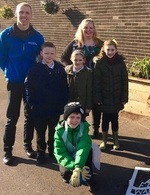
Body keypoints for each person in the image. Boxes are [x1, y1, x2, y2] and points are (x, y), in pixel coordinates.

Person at [0, 2, 44, 165]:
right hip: (14, 81)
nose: (24, 16)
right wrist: (8, 72)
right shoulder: (5, 35)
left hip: (31, 83)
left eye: (27, 13)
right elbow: (2, 58)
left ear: (31, 15)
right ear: (16, 14)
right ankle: (8, 150)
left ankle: (28, 146)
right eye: (21, 12)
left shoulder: (38, 37)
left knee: (30, 116)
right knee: (12, 117)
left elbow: (40, 59)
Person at [25, 42, 69, 164]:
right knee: (40, 132)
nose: (49, 56)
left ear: (55, 54)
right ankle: (40, 152)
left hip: (54, 108)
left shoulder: (60, 69)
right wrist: (32, 103)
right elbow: (28, 87)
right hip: (39, 107)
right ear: (41, 53)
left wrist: (63, 104)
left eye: (52, 53)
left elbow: (64, 88)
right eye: (46, 53)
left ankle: (52, 151)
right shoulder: (34, 69)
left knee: (53, 131)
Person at [61, 18, 104, 139]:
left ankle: (96, 129)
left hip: (96, 78)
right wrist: (69, 67)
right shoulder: (75, 43)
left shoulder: (99, 43)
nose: (88, 30)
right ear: (81, 29)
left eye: (91, 28)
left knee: (96, 103)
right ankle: (76, 127)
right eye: (86, 27)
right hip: (80, 78)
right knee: (80, 103)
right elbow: (64, 57)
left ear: (94, 29)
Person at [54, 102, 99, 192]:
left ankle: (91, 180)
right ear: (66, 117)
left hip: (80, 154)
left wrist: (79, 167)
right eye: (72, 117)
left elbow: (83, 148)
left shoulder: (84, 128)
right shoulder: (59, 131)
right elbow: (60, 153)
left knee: (87, 161)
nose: (75, 120)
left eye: (78, 117)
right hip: (68, 155)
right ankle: (67, 175)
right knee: (66, 174)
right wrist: (75, 167)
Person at [93, 40, 128, 150]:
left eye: (112, 50)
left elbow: (124, 81)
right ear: (103, 50)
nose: (110, 52)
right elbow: (96, 82)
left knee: (114, 119)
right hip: (104, 98)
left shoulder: (121, 63)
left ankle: (115, 140)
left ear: (116, 50)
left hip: (116, 98)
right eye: (108, 50)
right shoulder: (100, 63)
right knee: (105, 119)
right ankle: (104, 140)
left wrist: (124, 98)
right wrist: (97, 97)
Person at [65, 50, 93, 116]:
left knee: (81, 121)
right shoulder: (67, 70)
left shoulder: (88, 72)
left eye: (80, 60)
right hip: (70, 102)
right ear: (71, 59)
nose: (77, 62)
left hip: (82, 103)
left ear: (84, 60)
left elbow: (89, 90)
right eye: (75, 60)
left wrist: (88, 106)